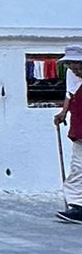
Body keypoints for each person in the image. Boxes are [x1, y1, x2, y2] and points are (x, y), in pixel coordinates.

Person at [55, 46, 82, 224]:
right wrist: (63, 112)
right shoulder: (72, 75)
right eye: (70, 64)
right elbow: (70, 93)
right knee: (78, 168)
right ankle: (78, 206)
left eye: (77, 64)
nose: (74, 68)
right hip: (79, 126)